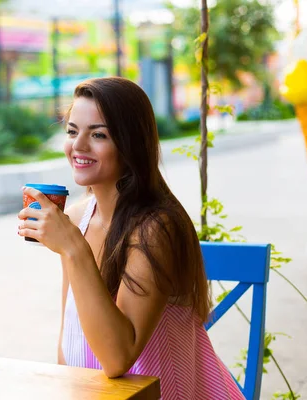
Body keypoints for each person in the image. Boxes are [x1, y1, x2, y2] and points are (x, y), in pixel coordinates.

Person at [18, 77, 244, 399]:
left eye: (98, 134)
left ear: (131, 144)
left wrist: (73, 247)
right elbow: (69, 335)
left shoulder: (155, 228)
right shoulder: (80, 217)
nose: (78, 146)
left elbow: (117, 358)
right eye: (72, 131)